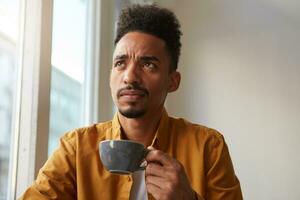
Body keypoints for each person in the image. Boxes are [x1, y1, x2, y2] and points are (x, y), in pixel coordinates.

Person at [20, 4, 243, 200]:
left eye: (148, 65)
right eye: (120, 63)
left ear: (173, 81)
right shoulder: (75, 148)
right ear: (110, 77)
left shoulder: (209, 147)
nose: (130, 77)